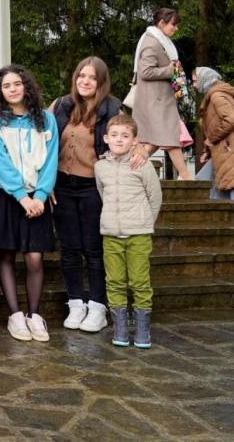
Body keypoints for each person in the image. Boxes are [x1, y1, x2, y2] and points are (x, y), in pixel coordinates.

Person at [49, 57, 123, 333]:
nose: (85, 81)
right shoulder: (61, 105)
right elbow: (42, 139)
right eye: (81, 76)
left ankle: (97, 306)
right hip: (62, 187)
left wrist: (141, 150)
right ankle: (76, 303)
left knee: (93, 249)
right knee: (69, 249)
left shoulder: (112, 108)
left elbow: (127, 138)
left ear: (101, 81)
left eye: (92, 77)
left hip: (93, 187)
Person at [0, 65, 59, 342]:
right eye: (6, 86)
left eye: (17, 84)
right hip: (6, 196)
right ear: (0, 91)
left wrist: (40, 196)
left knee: (34, 257)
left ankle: (34, 314)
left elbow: (51, 158)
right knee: (6, 254)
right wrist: (21, 196)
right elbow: (0, 160)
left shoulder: (46, 119)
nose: (12, 89)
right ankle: (15, 315)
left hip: (37, 198)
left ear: (26, 86)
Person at [94, 114, 162, 349]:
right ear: (106, 138)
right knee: (114, 281)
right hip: (111, 234)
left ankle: (142, 330)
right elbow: (103, 194)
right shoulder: (100, 167)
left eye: (125, 136)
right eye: (114, 135)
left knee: (140, 281)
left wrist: (145, 222)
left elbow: (155, 197)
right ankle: (120, 328)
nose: (119, 139)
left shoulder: (142, 165)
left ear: (134, 140)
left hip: (138, 234)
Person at [131, 8, 194, 180]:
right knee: (170, 138)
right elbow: (145, 72)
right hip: (155, 101)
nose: (176, 28)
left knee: (158, 140)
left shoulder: (161, 41)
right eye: (173, 24)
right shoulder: (151, 43)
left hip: (160, 100)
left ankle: (129, 168)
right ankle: (186, 176)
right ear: (161, 23)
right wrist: (170, 70)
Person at [192, 67, 234, 200]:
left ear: (204, 80)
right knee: (206, 185)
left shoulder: (217, 96)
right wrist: (207, 151)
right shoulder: (213, 96)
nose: (194, 85)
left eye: (195, 81)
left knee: (220, 187)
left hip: (228, 151)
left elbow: (231, 119)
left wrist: (211, 139)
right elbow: (216, 125)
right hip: (222, 150)